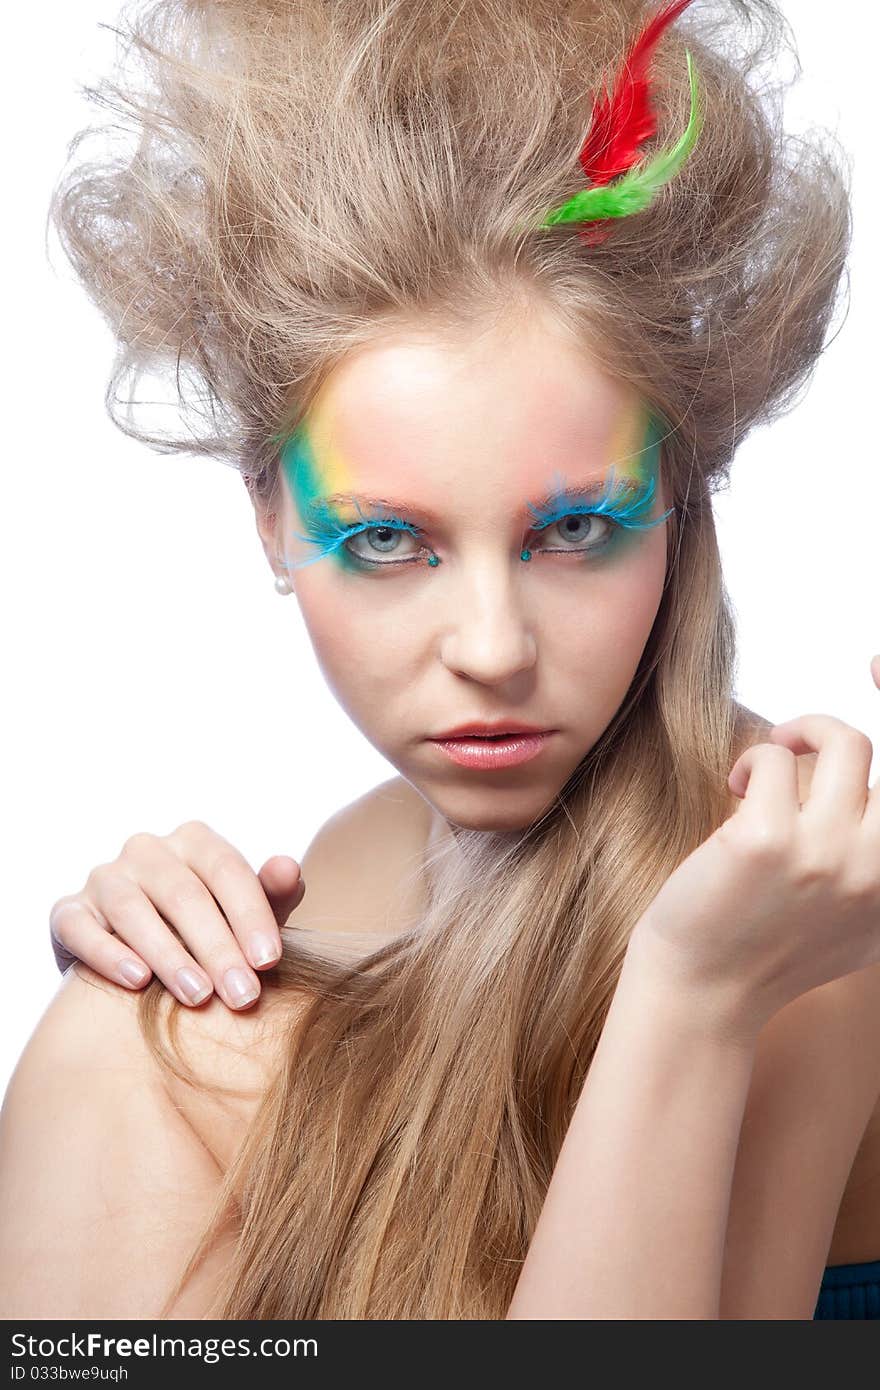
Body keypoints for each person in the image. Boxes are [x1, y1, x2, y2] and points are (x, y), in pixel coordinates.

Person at [1, 0, 878, 1321]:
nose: (489, 650)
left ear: (680, 502)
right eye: (389, 539)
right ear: (271, 519)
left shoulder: (808, 914)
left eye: (574, 529)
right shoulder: (330, 874)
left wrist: (696, 992)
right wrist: (159, 991)